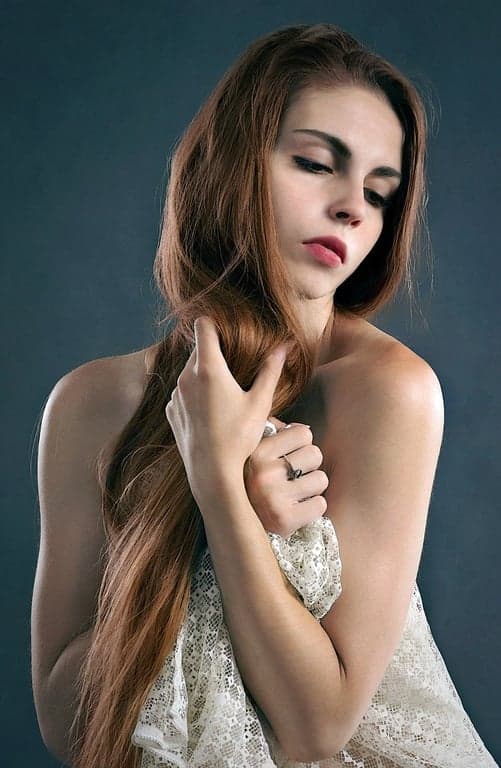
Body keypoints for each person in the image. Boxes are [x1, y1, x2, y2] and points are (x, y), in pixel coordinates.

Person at [31, 22, 498, 768]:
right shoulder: (90, 402)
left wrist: (219, 492)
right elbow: (65, 721)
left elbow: (317, 728)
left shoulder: (388, 391)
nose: (353, 208)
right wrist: (207, 512)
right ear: (229, 165)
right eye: (316, 163)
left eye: (381, 193)